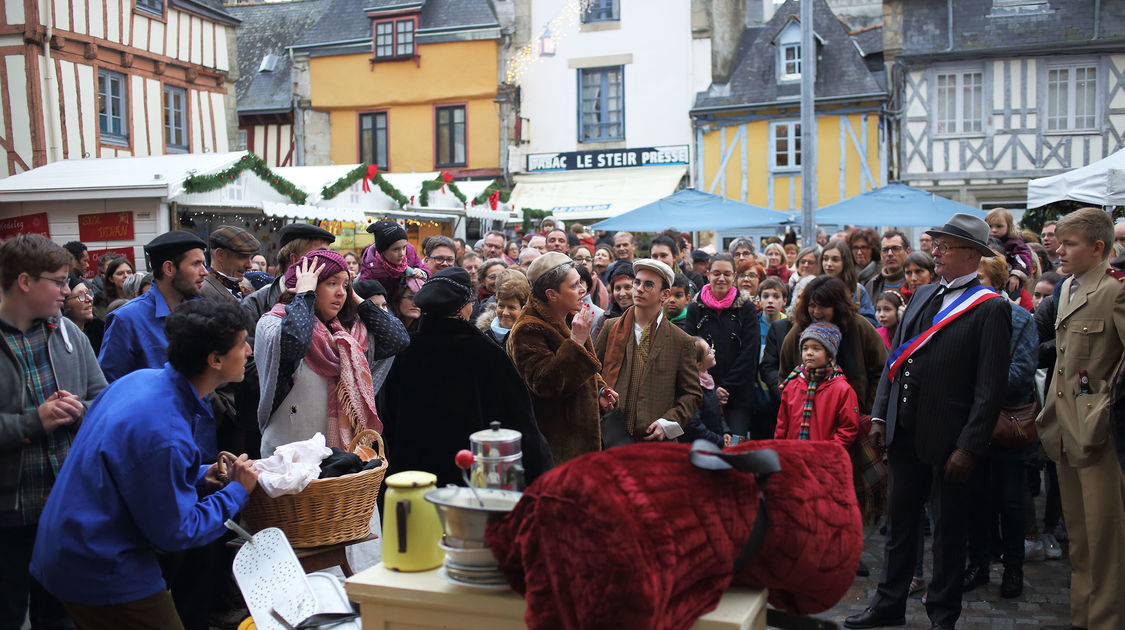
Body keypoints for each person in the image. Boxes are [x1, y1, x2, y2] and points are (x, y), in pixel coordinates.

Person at [29, 300, 258, 630]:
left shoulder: (140, 381)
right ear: (215, 359)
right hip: (101, 564)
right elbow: (177, 531)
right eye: (242, 343)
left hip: (67, 548)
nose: (249, 351)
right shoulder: (163, 429)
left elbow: (130, 468)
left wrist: (199, 475)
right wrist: (236, 491)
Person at [846, 213, 1011, 630]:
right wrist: (882, 415)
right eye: (936, 243)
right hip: (905, 432)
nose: (935, 251)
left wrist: (969, 446)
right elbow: (895, 362)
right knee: (900, 527)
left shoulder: (990, 308)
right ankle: (889, 604)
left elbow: (990, 388)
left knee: (949, 533)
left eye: (945, 246)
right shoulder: (921, 295)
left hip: (950, 438)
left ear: (972, 255)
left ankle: (942, 614)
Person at [0, 235, 107, 630]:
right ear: (25, 282)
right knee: (9, 613)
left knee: (62, 615)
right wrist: (34, 422)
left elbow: (103, 400)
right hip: (8, 515)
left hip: (65, 507)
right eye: (59, 281)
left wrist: (80, 411)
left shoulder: (69, 336)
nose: (69, 290)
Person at [1035, 208, 1125, 630]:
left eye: (1070, 244)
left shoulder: (1115, 290)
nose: (1059, 250)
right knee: (1080, 537)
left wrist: (1105, 406)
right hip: (1064, 428)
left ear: (1098, 248)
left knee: (1108, 540)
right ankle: (1082, 615)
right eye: (1060, 242)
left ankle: (1106, 619)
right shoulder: (1068, 288)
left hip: (1099, 432)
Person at [383, 267, 553, 487]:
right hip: (472, 482)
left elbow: (389, 417)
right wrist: (540, 472)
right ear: (464, 307)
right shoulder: (486, 353)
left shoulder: (406, 352)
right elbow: (519, 420)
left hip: (413, 480)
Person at [254, 250, 409, 457]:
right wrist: (305, 295)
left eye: (345, 285)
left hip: (337, 461)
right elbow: (294, 342)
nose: (341, 293)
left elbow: (398, 339)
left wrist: (356, 299)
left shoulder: (348, 336)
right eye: (331, 283)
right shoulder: (272, 324)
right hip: (287, 459)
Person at [963, 253, 1038, 600]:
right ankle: (978, 565)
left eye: (978, 278)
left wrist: (977, 384)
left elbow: (1021, 372)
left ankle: (1013, 569)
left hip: (1008, 423)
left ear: (997, 282)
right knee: (975, 499)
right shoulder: (963, 315)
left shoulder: (1020, 318)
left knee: (1011, 501)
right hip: (972, 423)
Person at [508, 253, 609, 464]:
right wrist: (575, 341)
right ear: (552, 295)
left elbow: (584, 368)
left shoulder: (569, 313)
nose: (583, 289)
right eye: (574, 286)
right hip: (556, 446)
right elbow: (545, 383)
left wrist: (600, 389)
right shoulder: (528, 329)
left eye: (581, 282)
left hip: (580, 438)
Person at [594, 259, 701, 443]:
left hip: (654, 442)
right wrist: (602, 391)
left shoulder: (681, 340)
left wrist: (668, 422)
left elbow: (692, 395)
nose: (639, 288)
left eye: (648, 284)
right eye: (637, 282)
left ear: (664, 294)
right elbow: (593, 373)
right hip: (610, 435)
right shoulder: (611, 327)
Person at [98, 231, 208, 384]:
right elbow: (110, 385)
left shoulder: (202, 310)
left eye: (203, 263)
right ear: (169, 268)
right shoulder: (127, 319)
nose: (204, 272)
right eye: (196, 264)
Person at [779, 275, 887, 417]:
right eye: (812, 305)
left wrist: (869, 411)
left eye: (823, 306)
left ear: (837, 306)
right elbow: (785, 378)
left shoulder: (859, 326)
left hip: (855, 417)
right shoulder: (798, 331)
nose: (816, 312)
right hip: (808, 417)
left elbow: (882, 371)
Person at [683, 254, 761, 439]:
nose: (721, 278)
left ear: (734, 276)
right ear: (708, 274)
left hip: (737, 392)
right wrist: (711, 389)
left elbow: (750, 352)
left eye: (727, 274)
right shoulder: (695, 307)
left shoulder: (747, 308)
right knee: (707, 447)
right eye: (716, 273)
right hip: (701, 393)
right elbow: (689, 349)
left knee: (735, 445)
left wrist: (724, 388)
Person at [774, 322, 858, 446]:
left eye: (816, 348)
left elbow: (848, 429)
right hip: (793, 457)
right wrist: (780, 452)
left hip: (825, 460)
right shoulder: (792, 385)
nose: (809, 353)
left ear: (830, 355)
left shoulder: (842, 390)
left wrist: (827, 453)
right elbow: (782, 425)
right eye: (805, 348)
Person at [242, 223, 336, 323]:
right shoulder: (255, 304)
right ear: (295, 260)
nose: (328, 262)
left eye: (330, 255)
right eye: (321, 255)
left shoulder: (331, 297)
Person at [678, 338, 729, 447]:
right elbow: (694, 426)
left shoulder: (708, 381)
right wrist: (720, 441)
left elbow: (717, 413)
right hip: (700, 448)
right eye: (709, 351)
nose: (714, 351)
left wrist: (725, 432)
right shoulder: (691, 388)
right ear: (699, 364)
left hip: (715, 442)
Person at [359, 220, 428, 296]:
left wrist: (422, 273)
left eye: (404, 247)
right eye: (396, 249)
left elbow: (426, 270)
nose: (402, 253)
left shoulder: (410, 251)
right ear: (382, 251)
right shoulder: (371, 266)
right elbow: (365, 291)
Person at [820, 240, 877, 327]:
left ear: (845, 262)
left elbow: (871, 323)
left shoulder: (857, 290)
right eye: (825, 259)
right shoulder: (814, 287)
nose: (828, 264)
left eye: (835, 260)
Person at [201, 226, 260, 303]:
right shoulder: (204, 292)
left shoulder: (241, 289)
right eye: (242, 257)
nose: (249, 266)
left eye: (250, 258)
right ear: (220, 255)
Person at [985, 208, 1034, 291]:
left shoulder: (1015, 243)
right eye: (990, 226)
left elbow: (1024, 259)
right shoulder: (985, 241)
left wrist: (1016, 275)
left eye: (999, 226)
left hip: (1009, 282)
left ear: (1009, 226)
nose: (994, 230)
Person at [476, 276, 531, 347]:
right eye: (501, 306)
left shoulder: (531, 339)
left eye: (511, 308)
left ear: (523, 309)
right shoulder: (483, 334)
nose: (505, 313)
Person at [62, 278, 104, 354]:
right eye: (81, 295)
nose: (89, 299)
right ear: (65, 303)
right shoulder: (62, 340)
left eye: (89, 293)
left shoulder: (100, 330)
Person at [866, 230, 911, 298]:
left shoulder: (914, 282)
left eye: (895, 248)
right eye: (885, 250)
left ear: (907, 251)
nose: (890, 254)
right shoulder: (872, 285)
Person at [571, 245, 609, 310]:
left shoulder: (601, 288)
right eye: (579, 259)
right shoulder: (565, 283)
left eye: (588, 259)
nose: (584, 262)